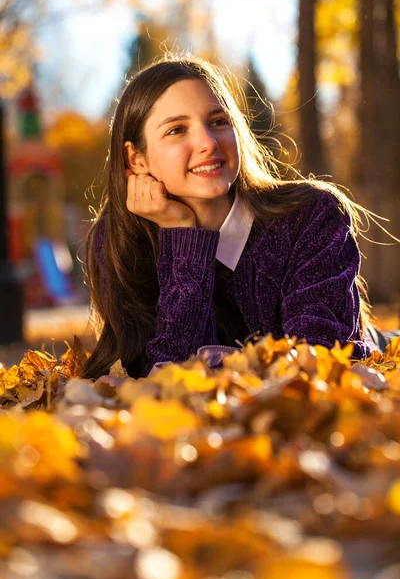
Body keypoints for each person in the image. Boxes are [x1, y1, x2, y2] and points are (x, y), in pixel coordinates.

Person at [82, 53, 397, 381]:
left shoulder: (311, 215)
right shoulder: (118, 242)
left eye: (218, 121)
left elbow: (319, 363)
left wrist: (215, 369)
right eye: (177, 130)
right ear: (136, 158)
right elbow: (164, 379)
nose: (207, 142)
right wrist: (183, 238)